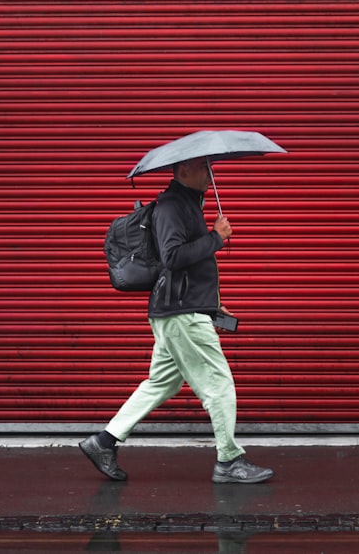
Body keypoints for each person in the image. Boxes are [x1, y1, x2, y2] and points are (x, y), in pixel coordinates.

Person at [80, 157, 273, 484]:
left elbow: (191, 268)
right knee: (220, 385)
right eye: (203, 168)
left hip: (181, 309)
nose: (210, 175)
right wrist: (215, 237)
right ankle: (229, 461)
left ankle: (104, 442)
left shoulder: (187, 205)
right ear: (183, 171)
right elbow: (172, 257)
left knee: (162, 383)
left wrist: (213, 304)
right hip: (181, 313)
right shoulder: (172, 206)